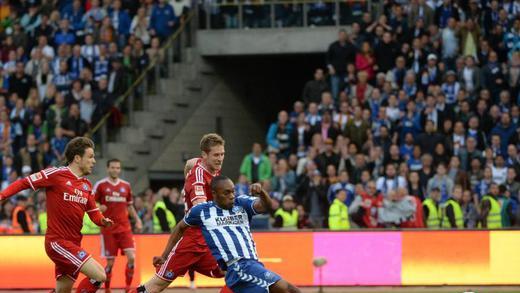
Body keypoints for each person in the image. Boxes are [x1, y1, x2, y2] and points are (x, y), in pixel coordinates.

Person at [0, 137, 113, 293]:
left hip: (74, 243)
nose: (94, 161)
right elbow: (24, 182)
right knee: (100, 276)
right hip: (58, 242)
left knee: (62, 291)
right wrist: (2, 196)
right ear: (77, 158)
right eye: (91, 156)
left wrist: (103, 221)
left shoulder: (87, 185)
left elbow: (94, 214)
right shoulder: (56, 174)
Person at [154, 178, 301, 293]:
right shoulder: (202, 211)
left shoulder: (241, 203)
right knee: (289, 290)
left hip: (252, 265)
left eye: (233, 191)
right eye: (227, 193)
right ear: (215, 194)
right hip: (239, 267)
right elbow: (180, 227)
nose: (231, 196)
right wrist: (165, 255)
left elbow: (266, 206)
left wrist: (262, 192)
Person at [133, 133, 231, 293]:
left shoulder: (207, 166)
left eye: (222, 154)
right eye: (216, 155)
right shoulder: (198, 177)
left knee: (231, 271)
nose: (220, 158)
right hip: (191, 241)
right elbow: (201, 208)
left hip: (206, 241)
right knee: (155, 286)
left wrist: (186, 174)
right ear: (205, 155)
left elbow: (189, 162)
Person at [94, 159, 143, 292]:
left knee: (132, 257)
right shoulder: (101, 185)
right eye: (113, 167)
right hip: (108, 229)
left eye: (117, 168)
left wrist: (137, 220)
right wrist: (99, 208)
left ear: (120, 169)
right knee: (110, 263)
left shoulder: (126, 186)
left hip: (124, 228)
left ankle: (127, 288)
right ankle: (108, 289)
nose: (115, 170)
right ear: (107, 168)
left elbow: (130, 206)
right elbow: (91, 204)